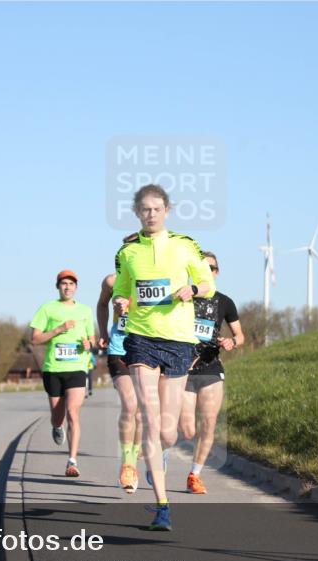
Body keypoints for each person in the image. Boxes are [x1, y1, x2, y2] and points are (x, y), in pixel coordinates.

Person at [113, 184, 214, 530]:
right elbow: (122, 287)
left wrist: (194, 289)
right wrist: (120, 301)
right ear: (137, 213)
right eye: (145, 209)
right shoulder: (127, 253)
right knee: (151, 421)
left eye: (156, 209)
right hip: (141, 339)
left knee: (168, 432)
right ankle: (162, 505)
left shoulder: (186, 246)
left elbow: (207, 283)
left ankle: (155, 450)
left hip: (179, 340)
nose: (151, 214)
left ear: (167, 211)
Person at [178, 251, 244, 494]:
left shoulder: (225, 302)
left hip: (211, 367)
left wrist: (231, 342)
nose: (208, 271)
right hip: (184, 368)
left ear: (217, 272)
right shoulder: (185, 297)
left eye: (212, 268)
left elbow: (240, 336)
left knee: (209, 423)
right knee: (187, 430)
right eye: (203, 267)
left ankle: (194, 475)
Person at [29, 269, 95, 477]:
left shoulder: (85, 310)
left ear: (76, 288)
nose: (68, 287)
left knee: (73, 413)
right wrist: (58, 329)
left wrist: (89, 343)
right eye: (64, 284)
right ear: (58, 287)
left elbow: (92, 339)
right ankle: (57, 427)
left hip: (77, 367)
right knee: (58, 417)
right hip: (54, 369)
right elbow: (35, 339)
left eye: (71, 284)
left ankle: (72, 461)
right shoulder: (47, 309)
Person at [97, 272, 143, 493]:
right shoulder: (111, 281)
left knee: (143, 412)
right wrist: (104, 330)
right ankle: (127, 464)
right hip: (119, 350)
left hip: (147, 351)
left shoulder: (155, 276)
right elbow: (103, 304)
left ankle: (134, 457)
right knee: (130, 405)